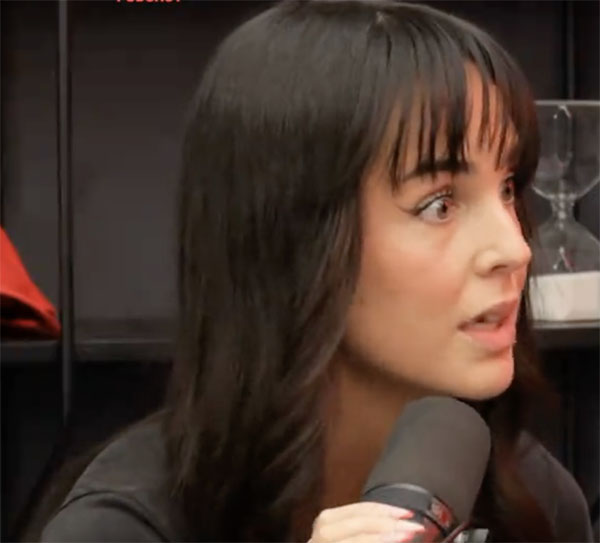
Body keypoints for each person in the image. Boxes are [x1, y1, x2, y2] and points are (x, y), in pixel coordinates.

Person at [36, 1, 593, 541]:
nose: (515, 248)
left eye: (508, 188)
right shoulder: (122, 527)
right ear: (293, 238)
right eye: (439, 204)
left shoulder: (534, 499)